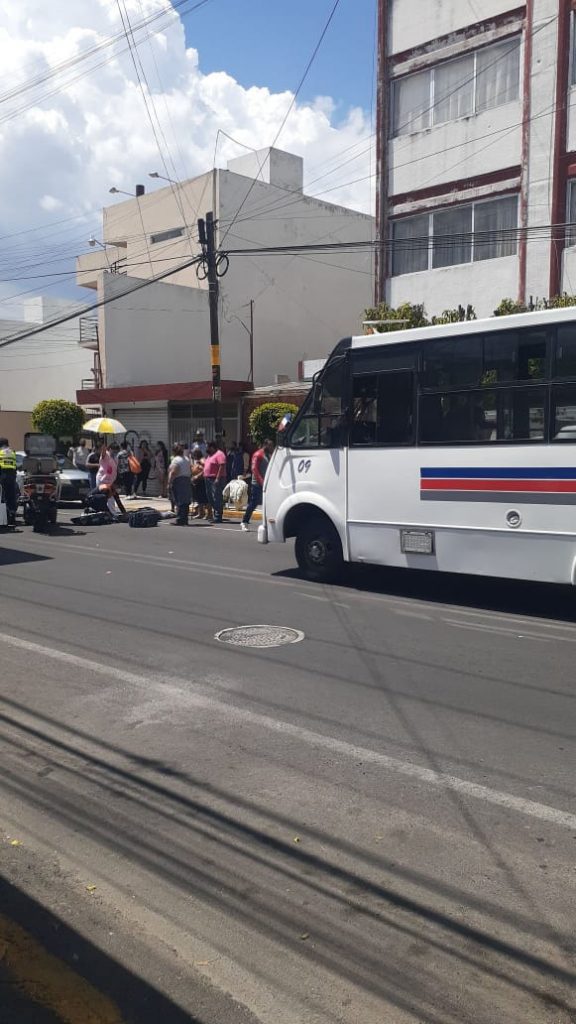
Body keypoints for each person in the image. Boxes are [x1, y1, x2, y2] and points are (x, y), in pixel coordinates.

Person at [241, 438, 274, 532]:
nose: (272, 447)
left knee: (268, 504)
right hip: (257, 484)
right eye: (270, 445)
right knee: (254, 503)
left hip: (267, 484)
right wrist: (261, 482)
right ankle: (244, 522)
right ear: (265, 445)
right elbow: (254, 470)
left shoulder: (268, 455)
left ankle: (268, 524)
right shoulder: (258, 454)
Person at [203, 440, 227, 523]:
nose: (206, 449)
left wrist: (217, 478)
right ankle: (215, 513)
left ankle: (218, 516)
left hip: (216, 479)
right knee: (210, 497)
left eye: (208, 447)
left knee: (217, 497)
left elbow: (222, 465)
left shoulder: (220, 454)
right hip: (208, 479)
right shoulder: (210, 455)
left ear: (212, 447)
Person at [168, 443, 192, 525]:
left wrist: (170, 482)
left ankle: (180, 519)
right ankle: (185, 519)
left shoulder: (176, 460)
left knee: (179, 500)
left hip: (179, 480)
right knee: (185, 500)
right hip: (187, 479)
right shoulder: (186, 459)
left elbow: (174, 471)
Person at [0, 437, 17, 527]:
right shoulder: (12, 452)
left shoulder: (0, 452)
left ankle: (4, 517)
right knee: (11, 496)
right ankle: (12, 516)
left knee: (2, 497)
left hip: (3, 476)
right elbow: (15, 466)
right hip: (12, 476)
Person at [190, 448, 208, 519]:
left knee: (203, 498)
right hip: (197, 481)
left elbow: (205, 469)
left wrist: (197, 476)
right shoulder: (196, 461)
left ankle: (206, 513)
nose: (193, 456)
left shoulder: (202, 460)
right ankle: (201, 513)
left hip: (201, 480)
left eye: (194, 454)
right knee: (199, 498)